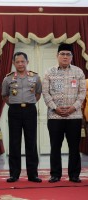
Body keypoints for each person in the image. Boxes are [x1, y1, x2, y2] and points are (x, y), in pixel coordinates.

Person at [42, 43, 86, 183]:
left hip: (74, 116)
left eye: (68, 54)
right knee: (55, 146)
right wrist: (55, 107)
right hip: (55, 116)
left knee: (74, 147)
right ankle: (55, 174)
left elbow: (82, 93)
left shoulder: (78, 72)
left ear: (72, 57)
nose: (65, 57)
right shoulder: (49, 72)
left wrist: (74, 107)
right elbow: (45, 92)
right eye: (62, 54)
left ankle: (74, 175)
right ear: (57, 56)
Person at [1, 52, 42, 183]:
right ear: (13, 63)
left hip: (30, 110)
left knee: (31, 142)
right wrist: (14, 104)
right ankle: (14, 174)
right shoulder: (7, 78)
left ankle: (33, 174)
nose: (20, 64)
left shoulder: (35, 77)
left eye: (22, 61)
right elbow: (5, 95)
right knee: (14, 142)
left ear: (27, 62)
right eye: (17, 62)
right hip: (14, 111)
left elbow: (38, 93)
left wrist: (29, 103)